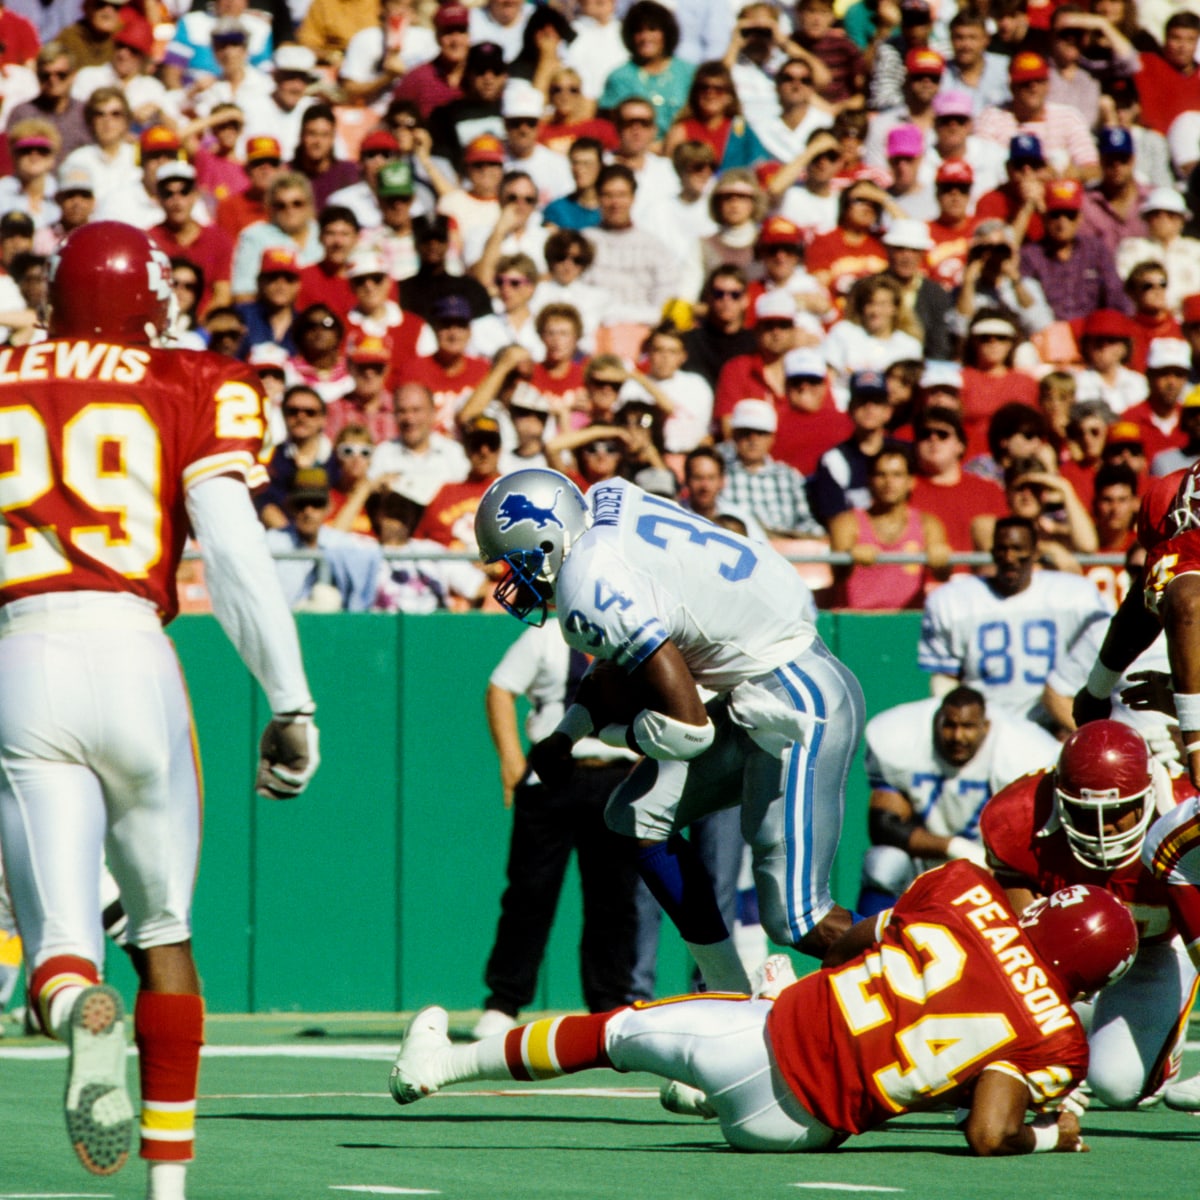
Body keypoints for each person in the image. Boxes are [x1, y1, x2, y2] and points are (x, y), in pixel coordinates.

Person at [0, 222, 318, 1195]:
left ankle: (72, 1009)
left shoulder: (8, 372)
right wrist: (291, 698)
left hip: (22, 653)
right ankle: (168, 1190)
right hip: (136, 653)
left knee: (58, 952)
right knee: (165, 932)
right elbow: (232, 554)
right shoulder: (190, 379)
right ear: (144, 297)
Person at [390, 862, 1138, 1158]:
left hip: (759, 1045)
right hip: (800, 1132)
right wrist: (1049, 1138)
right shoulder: (1059, 1041)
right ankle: (711, 1071)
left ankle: (441, 1064)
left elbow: (851, 942)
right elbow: (985, 1130)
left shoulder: (968, 891)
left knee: (617, 1030)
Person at [474, 467, 865, 992]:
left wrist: (612, 736)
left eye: (516, 560)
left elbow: (689, 729)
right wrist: (569, 732)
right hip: (764, 682)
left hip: (795, 700)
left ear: (547, 536)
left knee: (800, 919)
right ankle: (727, 991)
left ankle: (936, 957)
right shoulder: (606, 504)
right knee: (637, 816)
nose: (512, 577)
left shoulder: (584, 586)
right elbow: (624, 651)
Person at [981, 720, 1200, 1110]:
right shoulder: (1021, 815)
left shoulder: (1184, 812)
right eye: (1085, 813)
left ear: (1150, 794)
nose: (1105, 828)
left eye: (1120, 811)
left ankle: (1165, 1038)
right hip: (1070, 960)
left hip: (1160, 947)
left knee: (1117, 1086)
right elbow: (1019, 940)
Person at [473, 618, 641, 1040]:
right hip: (553, 777)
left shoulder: (634, 636)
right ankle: (504, 1001)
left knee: (614, 898)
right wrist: (511, 761)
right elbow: (499, 688)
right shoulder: (545, 634)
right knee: (530, 891)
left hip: (615, 777)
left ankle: (608, 1006)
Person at [857, 687, 1060, 915]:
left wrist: (994, 865)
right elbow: (885, 826)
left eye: (968, 727)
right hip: (924, 865)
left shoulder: (1023, 752)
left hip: (993, 872)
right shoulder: (901, 738)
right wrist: (956, 847)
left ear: (986, 726)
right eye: (949, 725)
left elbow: (1029, 842)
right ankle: (871, 946)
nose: (957, 736)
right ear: (937, 721)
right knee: (883, 863)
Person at [920, 515, 1110, 728]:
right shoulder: (954, 600)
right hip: (987, 730)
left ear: (1035, 552)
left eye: (1018, 548)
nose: (1010, 557)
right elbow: (946, 679)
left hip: (1054, 725)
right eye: (1003, 549)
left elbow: (1098, 663)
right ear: (992, 552)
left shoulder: (1075, 596)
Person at [828, 446, 950, 610]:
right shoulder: (846, 522)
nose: (889, 482)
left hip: (908, 624)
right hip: (856, 624)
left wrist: (942, 561)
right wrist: (850, 557)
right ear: (869, 480)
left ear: (911, 481)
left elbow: (942, 576)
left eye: (897, 475)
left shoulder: (928, 524)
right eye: (881, 474)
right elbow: (838, 575)